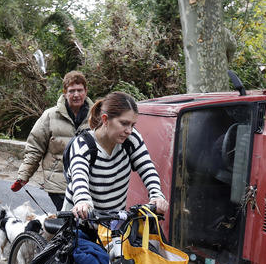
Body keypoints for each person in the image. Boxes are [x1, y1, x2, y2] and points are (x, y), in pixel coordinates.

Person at [64, 91, 168, 219]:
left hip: (114, 224)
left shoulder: (130, 138)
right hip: (80, 222)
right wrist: (83, 201)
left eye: (132, 125)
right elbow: (79, 177)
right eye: (124, 123)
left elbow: (147, 168)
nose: (129, 131)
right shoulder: (82, 145)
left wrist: (156, 194)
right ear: (105, 120)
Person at [11, 71, 94, 211]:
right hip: (58, 184)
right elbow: (35, 147)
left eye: (80, 90)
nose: (76, 95)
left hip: (88, 183)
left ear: (86, 91)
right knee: (68, 223)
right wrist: (23, 175)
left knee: (86, 226)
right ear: (65, 92)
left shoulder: (96, 116)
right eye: (71, 91)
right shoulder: (50, 116)